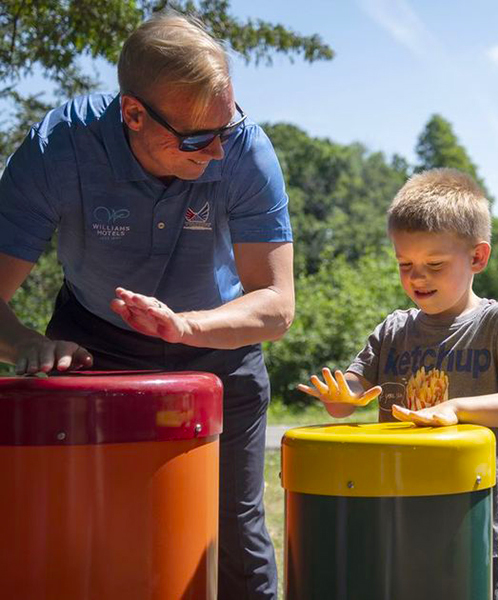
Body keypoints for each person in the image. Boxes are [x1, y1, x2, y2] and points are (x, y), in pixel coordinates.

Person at [0, 11, 294, 600]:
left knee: (233, 535)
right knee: (90, 531)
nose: (216, 152)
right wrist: (28, 343)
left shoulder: (244, 148)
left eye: (226, 127)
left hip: (219, 350)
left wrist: (186, 327)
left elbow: (276, 306)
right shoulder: (59, 148)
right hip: (93, 352)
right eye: (194, 139)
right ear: (133, 112)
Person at [298, 168, 498, 600]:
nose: (417, 278)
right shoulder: (394, 329)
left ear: (477, 257)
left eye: (434, 265)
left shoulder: (497, 322)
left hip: (468, 519)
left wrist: (456, 408)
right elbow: (349, 398)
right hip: (388, 513)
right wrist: (342, 397)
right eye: (405, 265)